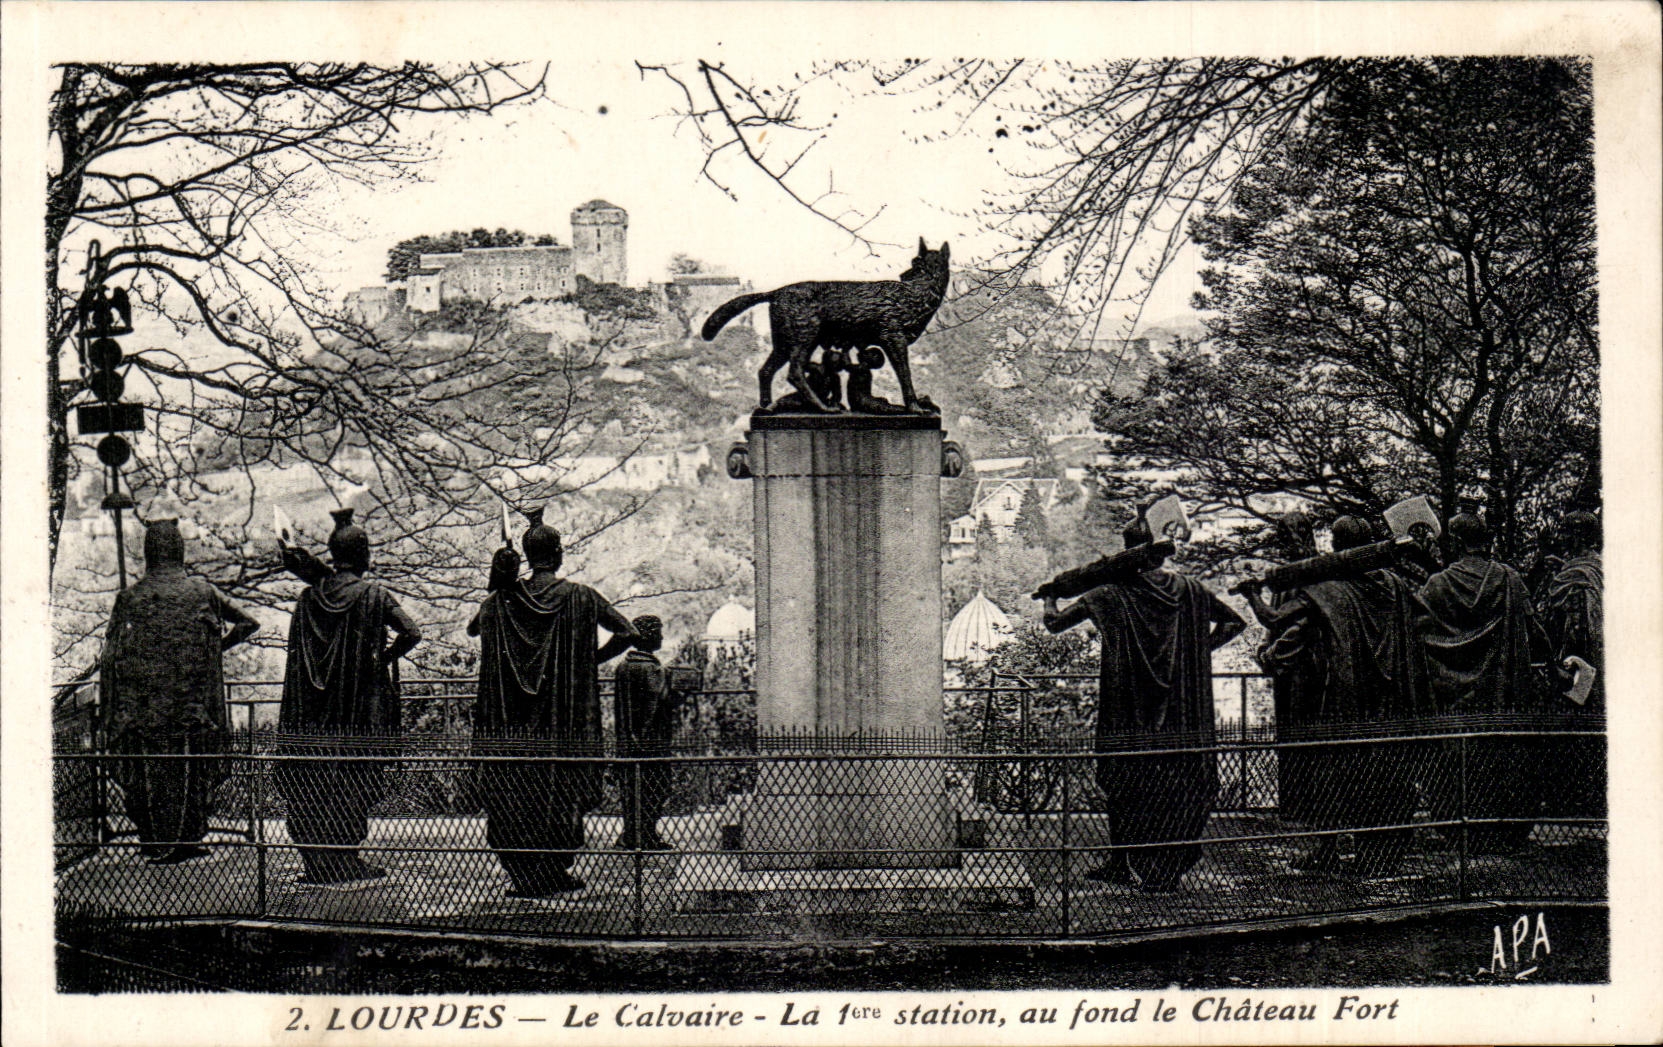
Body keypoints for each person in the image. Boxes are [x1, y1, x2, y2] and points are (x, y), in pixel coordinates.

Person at [1043, 515, 1246, 892]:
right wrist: (1196, 655)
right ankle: (1130, 862)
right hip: (1182, 711)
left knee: (1125, 778)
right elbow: (1235, 624)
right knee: (1175, 781)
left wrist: (1050, 598)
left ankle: (1127, 860)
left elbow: (1054, 625)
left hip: (1129, 708)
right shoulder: (1192, 589)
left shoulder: (1107, 594)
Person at [1248, 516, 1433, 874]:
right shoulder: (1393, 584)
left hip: (1343, 702)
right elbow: (1422, 618)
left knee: (1335, 772)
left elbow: (1274, 620)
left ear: (1334, 547)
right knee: (1386, 772)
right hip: (1389, 698)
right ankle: (1379, 854)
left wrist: (1251, 592)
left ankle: (1327, 849)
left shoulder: (1325, 588)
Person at [469, 508, 637, 896]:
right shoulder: (580, 596)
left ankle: (525, 873)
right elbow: (627, 631)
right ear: (558, 553)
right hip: (562, 725)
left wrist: (498, 586)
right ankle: (552, 869)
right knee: (560, 787)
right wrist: (589, 659)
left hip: (512, 727)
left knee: (515, 791)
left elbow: (474, 627)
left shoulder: (501, 602)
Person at [277, 507, 422, 886]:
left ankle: (319, 860)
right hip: (357, 713)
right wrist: (381, 660)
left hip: (312, 714)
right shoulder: (374, 594)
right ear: (364, 555)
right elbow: (412, 632)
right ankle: (343, 858)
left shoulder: (309, 598)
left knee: (315, 780)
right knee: (354, 779)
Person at [100, 518, 259, 862]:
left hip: (145, 710)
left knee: (150, 772)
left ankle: (155, 840)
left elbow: (111, 659)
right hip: (192, 706)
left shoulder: (129, 597)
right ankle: (187, 838)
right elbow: (249, 623)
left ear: (148, 552)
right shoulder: (203, 591)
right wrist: (217, 649)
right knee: (192, 767)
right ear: (179, 550)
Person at [1416, 512, 1550, 852]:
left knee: (1459, 764)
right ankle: (1506, 835)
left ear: (1457, 543)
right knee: (1505, 762)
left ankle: (1463, 834)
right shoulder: (1509, 579)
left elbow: (1415, 634)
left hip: (1454, 700)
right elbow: (1535, 633)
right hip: (1502, 696)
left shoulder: (1437, 585)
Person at [1539, 510, 1604, 819]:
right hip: (1608, 665)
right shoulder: (1605, 568)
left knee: (1573, 729)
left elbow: (1571, 629)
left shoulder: (1573, 576)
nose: (1562, 538)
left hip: (1580, 668)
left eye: (1566, 533)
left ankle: (1572, 801)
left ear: (1577, 536)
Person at [613, 615, 682, 850]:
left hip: (628, 744)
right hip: (652, 744)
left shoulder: (623, 667)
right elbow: (663, 701)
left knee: (632, 791)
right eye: (659, 632)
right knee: (656, 788)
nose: (662, 637)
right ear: (649, 635)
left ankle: (632, 834)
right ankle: (645, 836)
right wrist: (681, 692)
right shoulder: (651, 668)